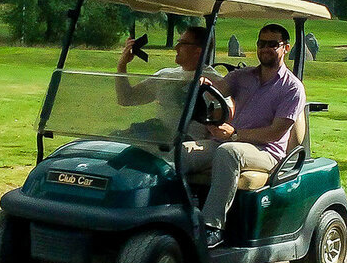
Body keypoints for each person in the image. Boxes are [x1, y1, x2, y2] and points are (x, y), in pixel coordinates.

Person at [184, 23, 306, 247]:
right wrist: (203, 85)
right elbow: (217, 90)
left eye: (273, 44)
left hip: (267, 152)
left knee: (229, 153)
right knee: (182, 152)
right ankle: (173, 214)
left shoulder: (292, 88)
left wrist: (235, 134)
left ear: (286, 48)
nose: (265, 48)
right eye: (262, 43)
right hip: (228, 142)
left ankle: (212, 226)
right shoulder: (243, 76)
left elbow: (275, 132)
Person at [116, 26, 222, 140]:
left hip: (185, 145)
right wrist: (122, 65)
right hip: (156, 138)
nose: (176, 47)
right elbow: (126, 99)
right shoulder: (165, 75)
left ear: (198, 51)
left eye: (182, 43)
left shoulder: (216, 82)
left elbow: (221, 121)